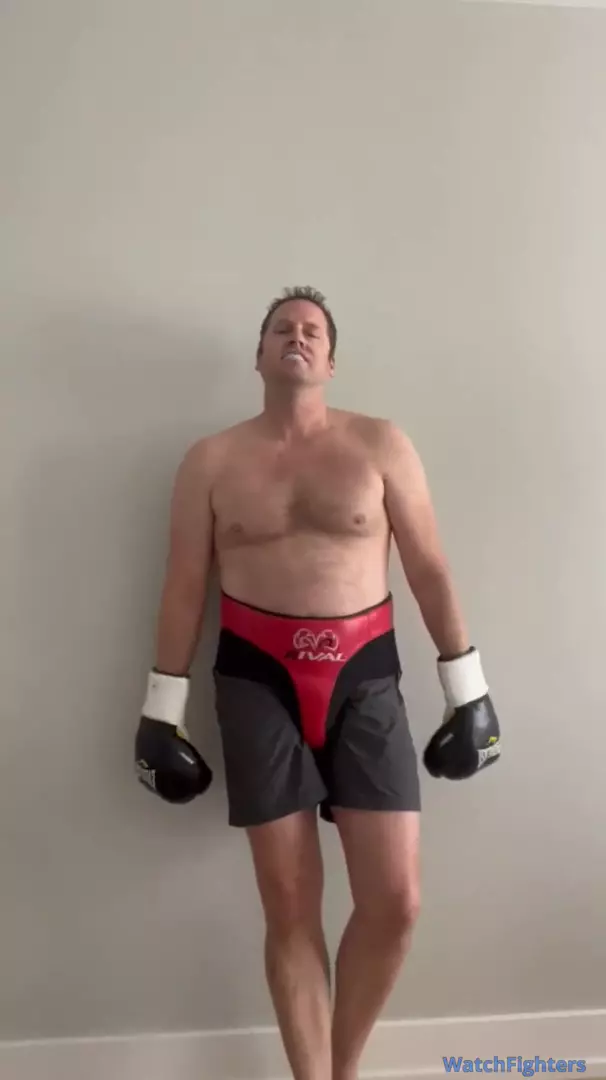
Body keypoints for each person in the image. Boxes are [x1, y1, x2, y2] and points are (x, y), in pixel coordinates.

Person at [134, 286, 501, 1080]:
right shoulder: (211, 460)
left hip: (365, 676)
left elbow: (429, 566)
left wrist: (469, 690)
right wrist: (161, 711)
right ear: (259, 354)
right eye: (281, 329)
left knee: (395, 902)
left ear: (331, 361)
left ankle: (343, 1067)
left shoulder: (381, 444)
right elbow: (184, 586)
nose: (296, 337)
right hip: (254, 680)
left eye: (311, 331)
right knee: (290, 908)